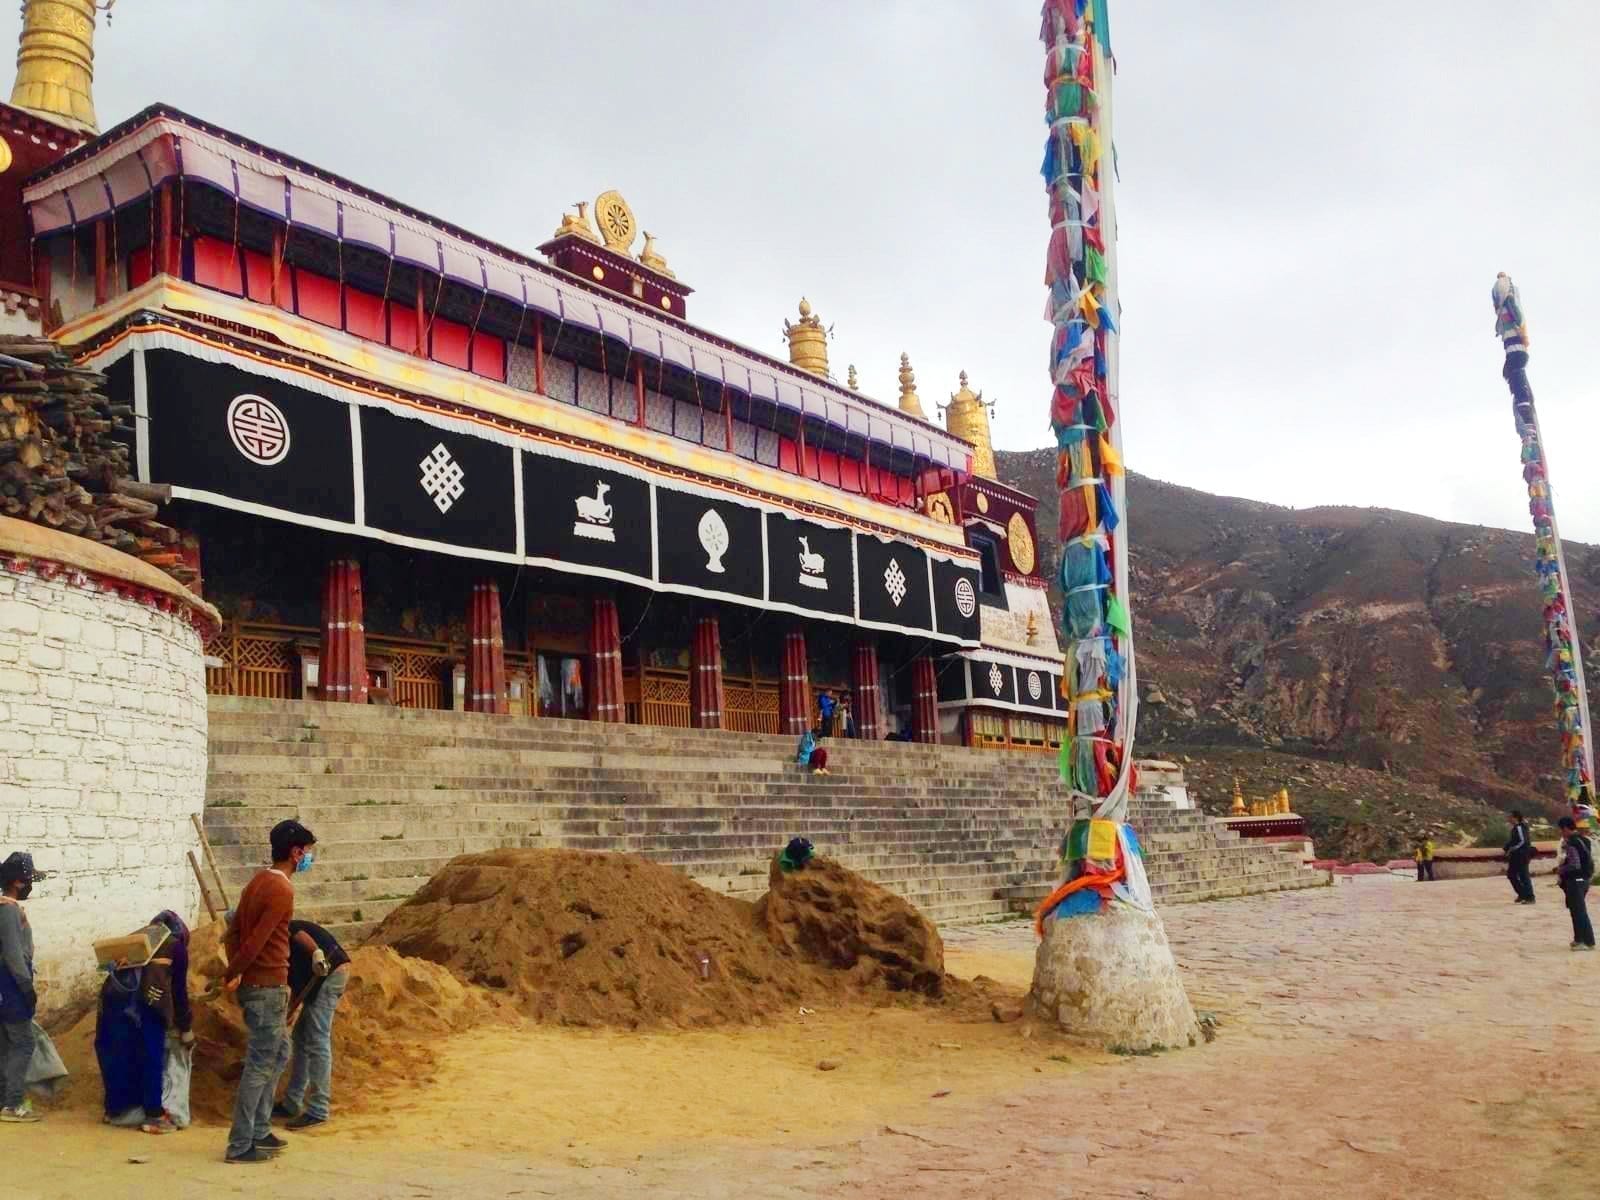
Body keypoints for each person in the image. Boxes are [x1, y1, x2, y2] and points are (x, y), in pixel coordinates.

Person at [222, 819, 316, 1164]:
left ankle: (259, 1129)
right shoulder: (281, 890)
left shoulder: (257, 882)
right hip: (267, 987)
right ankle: (240, 1142)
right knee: (261, 1064)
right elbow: (257, 942)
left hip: (262, 986)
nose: (308, 857)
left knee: (279, 1054)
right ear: (295, 852)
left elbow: (234, 934)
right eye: (306, 852)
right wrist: (235, 972)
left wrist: (235, 969)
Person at [96, 909, 194, 1134]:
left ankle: (116, 1111)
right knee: (152, 1056)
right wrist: (185, 1026)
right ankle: (154, 1116)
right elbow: (179, 992)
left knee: (122, 1054)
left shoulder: (134, 939)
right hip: (149, 1003)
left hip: (115, 1003)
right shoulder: (176, 948)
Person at [273, 920, 350, 1129]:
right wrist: (291, 1010)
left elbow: (298, 934)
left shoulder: (277, 927)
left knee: (317, 1040)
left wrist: (316, 952)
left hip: (330, 973)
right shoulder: (272, 944)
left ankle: (318, 1109)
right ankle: (292, 1102)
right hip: (315, 981)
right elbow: (296, 984)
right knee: (300, 1036)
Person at [0, 852, 47, 1124]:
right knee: (24, 1042)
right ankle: (13, 1103)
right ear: (18, 882)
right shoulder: (7, 910)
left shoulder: (8, 908)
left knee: (6, 1044)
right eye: (28, 880)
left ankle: (5, 1098)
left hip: (7, 983)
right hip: (10, 983)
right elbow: (14, 955)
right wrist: (26, 988)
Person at [1555, 816, 1595, 951]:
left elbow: (1575, 864)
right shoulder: (1584, 840)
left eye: (1561, 830)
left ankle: (1587, 941)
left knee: (1578, 911)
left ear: (1566, 828)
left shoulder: (1572, 843)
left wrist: (1560, 869)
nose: (1561, 833)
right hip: (1584, 880)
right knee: (1576, 910)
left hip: (1576, 880)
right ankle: (1579, 939)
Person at [1504, 810, 1536, 903]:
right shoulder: (1515, 828)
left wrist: (1511, 849)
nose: (1509, 819)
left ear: (1515, 818)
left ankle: (1530, 897)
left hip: (1522, 855)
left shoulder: (1520, 827)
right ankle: (1522, 894)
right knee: (1511, 875)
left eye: (1510, 817)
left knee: (1524, 875)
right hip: (1515, 856)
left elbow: (1522, 841)